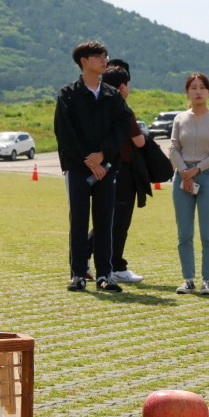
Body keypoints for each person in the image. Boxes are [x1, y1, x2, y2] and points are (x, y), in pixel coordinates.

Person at [55, 39, 133, 292]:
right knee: (78, 220)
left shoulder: (112, 96)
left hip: (107, 167)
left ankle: (105, 275)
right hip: (78, 168)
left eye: (106, 55)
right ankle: (78, 274)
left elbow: (121, 128)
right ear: (84, 61)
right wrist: (89, 161)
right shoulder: (68, 94)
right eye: (99, 56)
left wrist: (103, 156)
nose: (104, 60)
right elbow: (65, 132)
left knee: (104, 222)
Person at [169, 73, 209, 295]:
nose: (198, 91)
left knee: (208, 233)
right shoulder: (180, 118)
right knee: (184, 233)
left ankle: (208, 281)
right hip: (182, 178)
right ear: (187, 92)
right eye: (194, 88)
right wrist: (184, 172)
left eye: (202, 87)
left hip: (208, 176)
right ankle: (188, 279)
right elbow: (173, 147)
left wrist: (196, 169)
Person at [97, 60, 151, 283]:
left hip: (102, 168)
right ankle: (115, 266)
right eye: (127, 85)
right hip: (123, 171)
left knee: (104, 219)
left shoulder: (97, 108)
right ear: (121, 87)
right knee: (119, 221)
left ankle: (84, 261)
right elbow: (139, 142)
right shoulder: (123, 109)